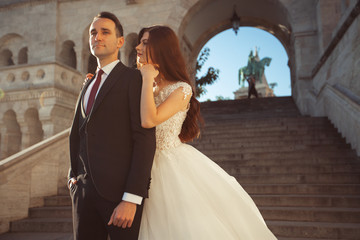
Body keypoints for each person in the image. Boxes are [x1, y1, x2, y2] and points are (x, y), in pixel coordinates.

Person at [136, 25, 277, 240]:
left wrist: (146, 78)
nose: (137, 47)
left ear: (160, 48)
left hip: (169, 167)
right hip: (139, 165)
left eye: (145, 42)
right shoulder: (143, 84)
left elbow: (149, 119)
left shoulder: (181, 89)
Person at [67, 12, 156, 240]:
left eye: (105, 32)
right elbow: (78, 133)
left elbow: (144, 139)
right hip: (83, 196)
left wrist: (131, 198)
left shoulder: (133, 79)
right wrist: (73, 178)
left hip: (120, 198)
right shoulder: (87, 83)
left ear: (120, 41)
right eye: (93, 32)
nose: (97, 36)